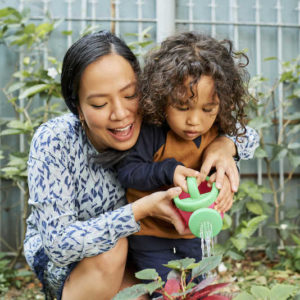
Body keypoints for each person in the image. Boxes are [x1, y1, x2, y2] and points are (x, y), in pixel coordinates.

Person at [23, 30, 258, 300]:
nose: (120, 114)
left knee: (176, 288)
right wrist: (140, 210)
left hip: (143, 252)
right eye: (99, 103)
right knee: (113, 251)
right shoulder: (55, 141)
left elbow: (241, 130)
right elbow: (58, 245)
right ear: (77, 107)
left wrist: (225, 146)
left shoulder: (161, 111)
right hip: (79, 263)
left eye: (130, 95)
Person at [117, 31, 259, 284]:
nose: (195, 120)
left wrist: (223, 183)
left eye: (208, 109)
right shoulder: (153, 132)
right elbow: (128, 172)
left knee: (196, 286)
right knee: (167, 290)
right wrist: (168, 170)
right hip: (151, 235)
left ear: (222, 104)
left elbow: (249, 138)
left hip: (195, 233)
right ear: (162, 97)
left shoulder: (218, 131)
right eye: (182, 107)